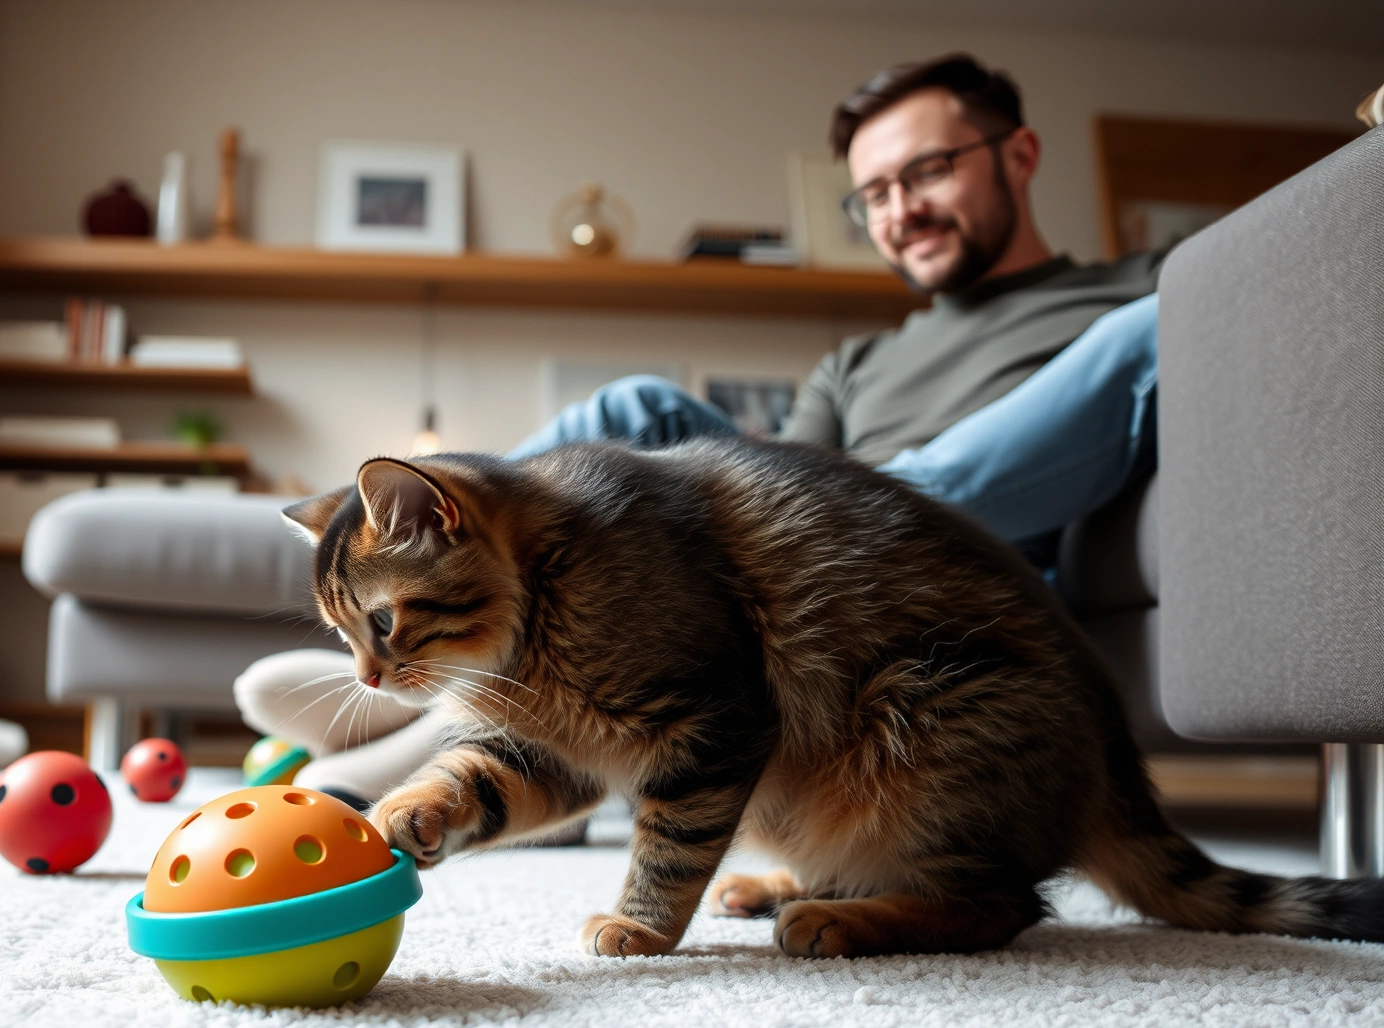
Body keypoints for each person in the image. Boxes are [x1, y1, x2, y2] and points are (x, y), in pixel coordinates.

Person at [237, 53, 1164, 808]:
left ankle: (425, 735)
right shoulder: (860, 363)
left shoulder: (1130, 295)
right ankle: (458, 695)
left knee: (1139, 333)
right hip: (838, 556)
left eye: (927, 171)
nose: (899, 210)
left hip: (939, 571)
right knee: (631, 414)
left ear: (1021, 153)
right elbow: (767, 496)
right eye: (872, 194)